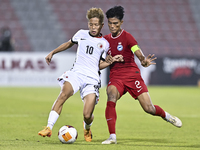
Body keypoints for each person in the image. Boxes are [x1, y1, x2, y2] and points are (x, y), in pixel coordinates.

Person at [38, 7, 123, 142]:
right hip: (76, 74)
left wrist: (110, 62)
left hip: (92, 79)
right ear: (88, 24)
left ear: (101, 25)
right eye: (91, 24)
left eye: (96, 25)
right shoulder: (81, 34)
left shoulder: (105, 44)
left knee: (87, 114)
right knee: (63, 94)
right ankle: (49, 126)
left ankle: (87, 127)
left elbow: (100, 65)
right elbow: (68, 44)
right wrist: (53, 52)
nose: (93, 27)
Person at [101, 6, 182, 144]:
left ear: (121, 23)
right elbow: (100, 59)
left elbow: (136, 50)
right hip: (116, 77)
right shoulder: (104, 40)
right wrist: (107, 60)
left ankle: (167, 116)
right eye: (110, 23)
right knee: (111, 96)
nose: (112, 26)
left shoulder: (127, 37)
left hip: (132, 76)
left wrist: (143, 60)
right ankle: (112, 137)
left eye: (115, 23)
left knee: (148, 108)